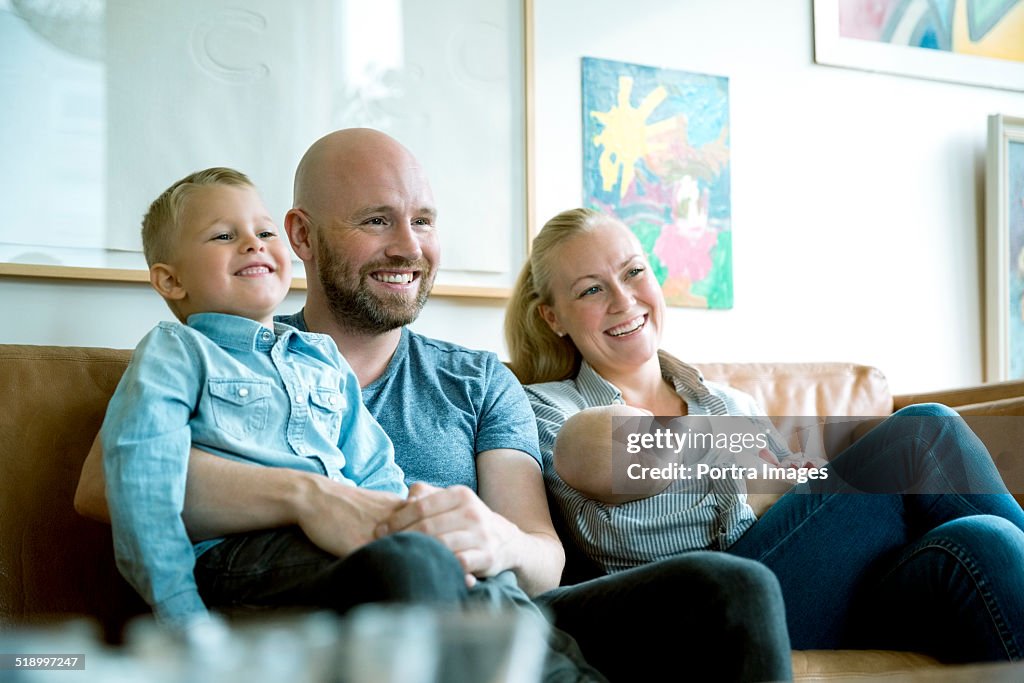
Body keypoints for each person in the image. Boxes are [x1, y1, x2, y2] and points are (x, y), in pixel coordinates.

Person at [76, 129, 793, 682]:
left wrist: (497, 539)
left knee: (732, 586)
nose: (408, 246)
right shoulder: (219, 354)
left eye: (422, 220)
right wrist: (308, 497)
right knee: (410, 565)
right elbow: (108, 485)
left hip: (498, 605)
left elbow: (541, 560)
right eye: (377, 221)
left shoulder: (478, 380)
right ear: (302, 236)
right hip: (333, 609)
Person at [504, 206, 1024, 663]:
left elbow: (799, 511)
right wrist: (750, 471)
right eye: (592, 289)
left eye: (634, 272)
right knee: (922, 433)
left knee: (984, 540)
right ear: (554, 318)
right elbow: (615, 460)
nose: (623, 299)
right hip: (707, 611)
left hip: (823, 592)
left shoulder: (732, 404)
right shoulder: (544, 408)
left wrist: (790, 484)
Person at [100, 167, 436, 629]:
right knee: (412, 569)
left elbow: (375, 469)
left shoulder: (321, 357)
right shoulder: (175, 351)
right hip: (237, 559)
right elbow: (144, 488)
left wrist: (403, 525)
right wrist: (182, 618)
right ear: (170, 281)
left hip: (338, 547)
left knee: (449, 564)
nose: (254, 244)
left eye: (263, 231)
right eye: (223, 235)